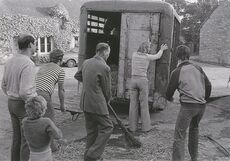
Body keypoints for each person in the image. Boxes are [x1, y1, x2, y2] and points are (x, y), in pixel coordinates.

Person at [165, 45, 212, 161]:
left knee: (179, 136)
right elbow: (209, 85)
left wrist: (170, 99)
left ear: (177, 56)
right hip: (201, 106)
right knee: (194, 130)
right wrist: (204, 99)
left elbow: (168, 92)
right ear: (188, 55)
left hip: (188, 107)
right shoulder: (198, 67)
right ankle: (194, 158)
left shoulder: (177, 71)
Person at [74, 42, 114, 161]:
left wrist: (89, 83)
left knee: (92, 131)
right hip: (97, 104)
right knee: (108, 127)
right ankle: (93, 154)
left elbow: (77, 76)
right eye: (108, 52)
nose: (108, 55)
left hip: (85, 103)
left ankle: (88, 157)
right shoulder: (105, 67)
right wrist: (106, 101)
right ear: (105, 52)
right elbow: (107, 91)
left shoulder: (86, 62)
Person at [1, 34, 37, 161]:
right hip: (23, 104)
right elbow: (25, 92)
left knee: (16, 138)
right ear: (30, 45)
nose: (36, 46)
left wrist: (12, 94)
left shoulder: (10, 61)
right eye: (35, 43)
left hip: (11, 102)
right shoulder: (28, 63)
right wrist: (35, 102)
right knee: (26, 140)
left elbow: (3, 85)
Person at [129, 41, 168, 133]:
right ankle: (145, 128)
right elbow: (158, 56)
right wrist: (162, 49)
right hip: (142, 81)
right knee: (144, 105)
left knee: (133, 104)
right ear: (146, 49)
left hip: (133, 80)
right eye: (149, 48)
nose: (149, 49)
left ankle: (132, 128)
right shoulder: (147, 57)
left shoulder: (134, 55)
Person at [35, 49, 66, 152]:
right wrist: (62, 105)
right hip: (43, 94)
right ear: (60, 59)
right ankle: (52, 147)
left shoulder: (42, 67)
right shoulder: (60, 70)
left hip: (33, 93)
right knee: (50, 120)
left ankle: (38, 143)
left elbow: (43, 83)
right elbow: (61, 90)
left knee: (37, 119)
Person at [22, 96, 63, 161]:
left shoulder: (24, 122)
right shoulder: (46, 122)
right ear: (43, 109)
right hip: (45, 154)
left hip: (32, 154)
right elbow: (58, 136)